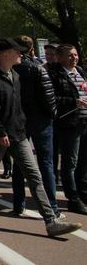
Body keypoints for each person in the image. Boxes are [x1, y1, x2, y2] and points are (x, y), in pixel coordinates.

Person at [0, 38, 81, 237]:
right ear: (5, 54)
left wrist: (21, 128)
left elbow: (18, 106)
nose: (21, 54)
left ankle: (50, 221)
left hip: (18, 134)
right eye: (17, 51)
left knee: (34, 175)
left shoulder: (14, 74)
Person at [11, 36, 60, 217]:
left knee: (20, 162)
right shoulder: (37, 68)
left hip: (19, 119)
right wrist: (52, 114)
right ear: (32, 49)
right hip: (40, 120)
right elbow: (49, 97)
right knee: (46, 163)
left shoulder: (12, 68)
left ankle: (18, 203)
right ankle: (52, 206)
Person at [48, 43, 87, 214]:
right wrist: (73, 102)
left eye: (75, 54)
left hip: (84, 121)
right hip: (69, 123)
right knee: (70, 161)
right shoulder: (55, 74)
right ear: (60, 57)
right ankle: (72, 198)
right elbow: (52, 98)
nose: (74, 58)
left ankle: (83, 192)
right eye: (70, 55)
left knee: (84, 161)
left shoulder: (80, 72)